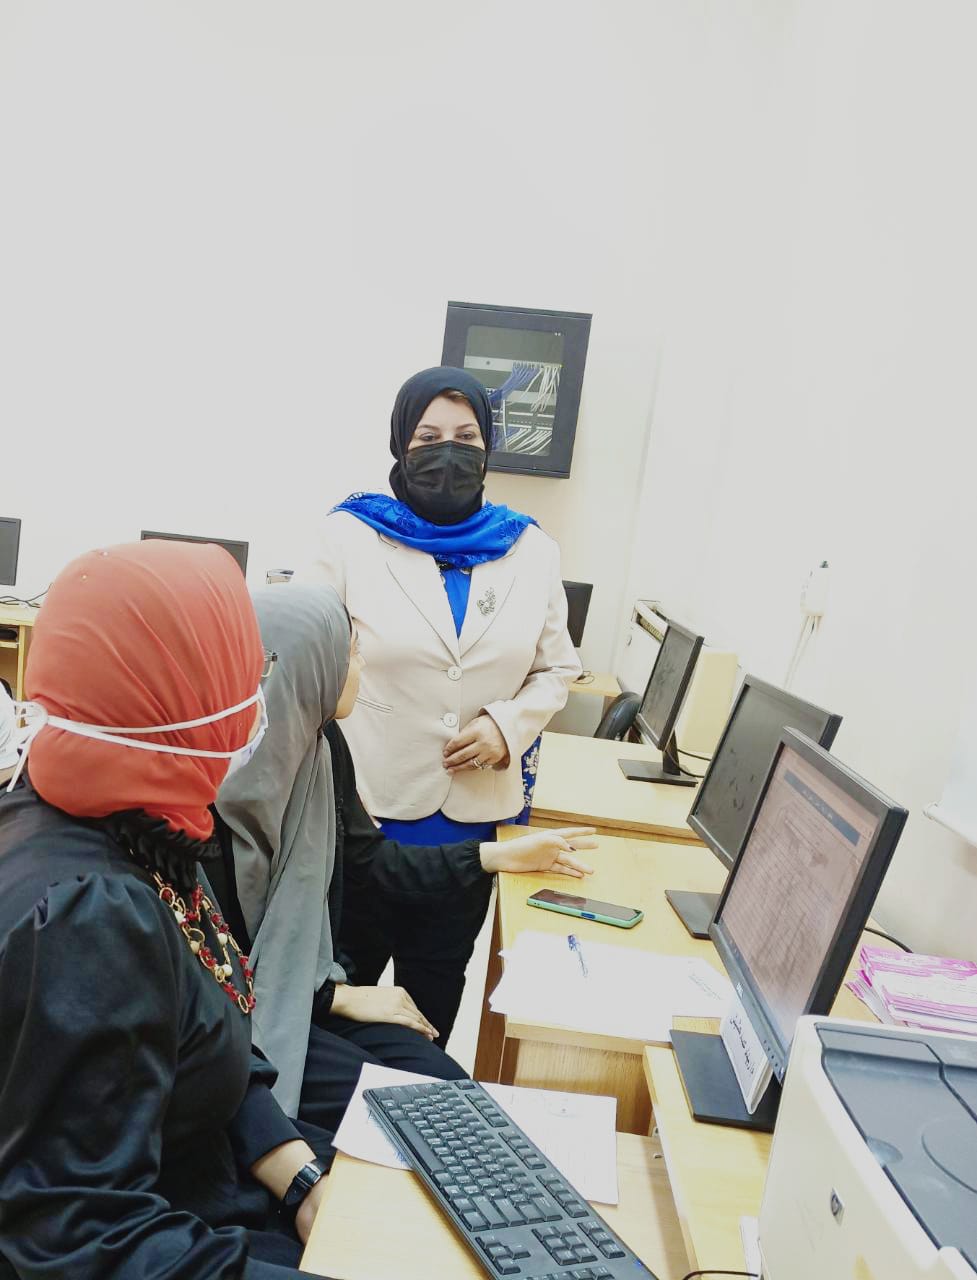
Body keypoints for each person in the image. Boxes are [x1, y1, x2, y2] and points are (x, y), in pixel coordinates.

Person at [0, 542, 337, 1277]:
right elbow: (81, 1238)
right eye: (245, 672)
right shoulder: (92, 918)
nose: (256, 696)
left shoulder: (126, 816)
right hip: (168, 1236)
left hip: (201, 1193)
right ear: (176, 694)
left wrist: (301, 1178)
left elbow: (201, 1018)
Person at [209, 583, 596, 1112]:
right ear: (311, 665)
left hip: (308, 992)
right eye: (353, 653)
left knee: (454, 1092)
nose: (363, 666)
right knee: (430, 1108)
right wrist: (335, 997)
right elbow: (207, 960)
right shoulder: (207, 793)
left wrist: (493, 856)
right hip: (243, 1020)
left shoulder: (320, 748)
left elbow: (369, 862)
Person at [299, 366, 581, 1039]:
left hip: (470, 822)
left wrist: (508, 726)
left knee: (430, 1011)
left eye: (466, 436)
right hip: (362, 817)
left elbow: (557, 669)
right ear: (401, 443)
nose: (447, 452)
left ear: (488, 447)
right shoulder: (349, 537)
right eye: (428, 437)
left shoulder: (531, 549)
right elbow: (308, 661)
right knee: (341, 1004)